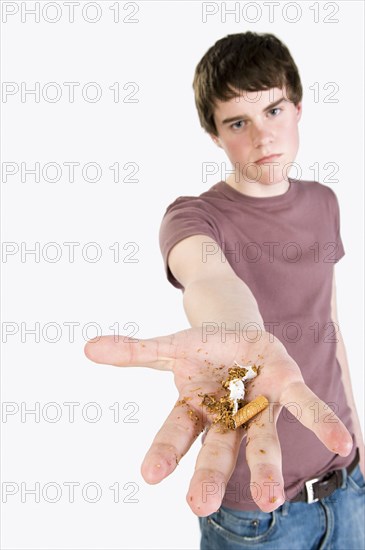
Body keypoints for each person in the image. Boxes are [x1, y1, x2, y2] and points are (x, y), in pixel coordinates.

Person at [84, 32, 365, 549]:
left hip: (346, 486)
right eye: (238, 122)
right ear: (215, 135)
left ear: (298, 108)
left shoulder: (325, 203)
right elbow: (209, 276)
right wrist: (240, 333)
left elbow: (328, 324)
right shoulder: (195, 216)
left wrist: (360, 445)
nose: (262, 137)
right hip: (255, 513)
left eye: (274, 111)